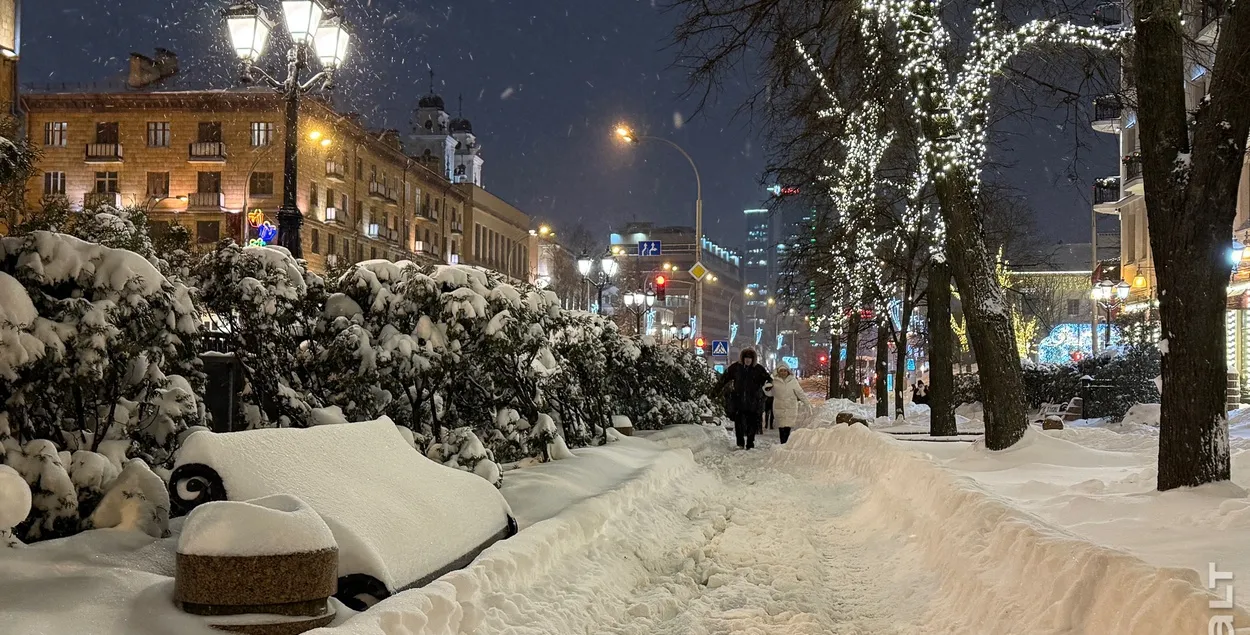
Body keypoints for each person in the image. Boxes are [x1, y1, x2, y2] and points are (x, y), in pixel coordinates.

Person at [716, 348, 771, 449]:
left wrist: (764, 392)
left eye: (750, 358)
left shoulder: (758, 369)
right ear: (743, 358)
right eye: (746, 358)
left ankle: (750, 442)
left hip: (753, 402)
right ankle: (740, 443)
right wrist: (716, 391)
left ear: (753, 359)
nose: (748, 360)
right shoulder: (736, 368)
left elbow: (769, 381)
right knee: (739, 423)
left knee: (752, 424)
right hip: (738, 401)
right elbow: (724, 378)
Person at [771, 363, 810, 444]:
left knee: (787, 428)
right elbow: (770, 393)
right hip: (779, 408)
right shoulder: (774, 381)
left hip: (790, 408)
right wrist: (766, 389)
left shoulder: (793, 381)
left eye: (785, 371)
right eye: (781, 371)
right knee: (781, 428)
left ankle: (786, 445)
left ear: (788, 371)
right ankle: (783, 445)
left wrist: (807, 403)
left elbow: (800, 393)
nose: (783, 372)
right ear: (778, 372)